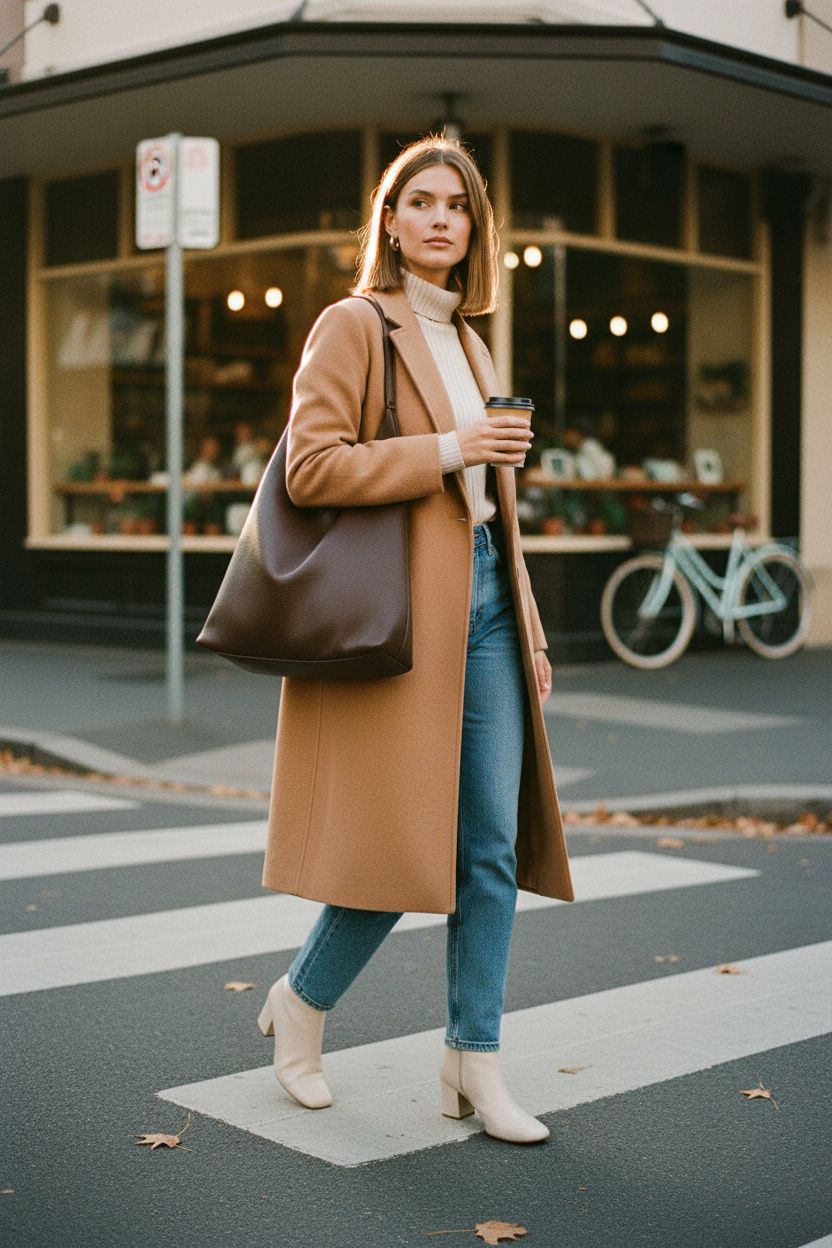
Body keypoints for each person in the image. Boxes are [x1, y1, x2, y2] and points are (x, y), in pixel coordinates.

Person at [258, 135, 575, 1146]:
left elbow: (494, 511)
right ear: (390, 223)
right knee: (403, 842)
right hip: (404, 612)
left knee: (488, 847)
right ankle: (302, 1002)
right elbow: (311, 469)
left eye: (459, 205)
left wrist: (529, 629)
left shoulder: (473, 344)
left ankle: (473, 1059)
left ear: (475, 229)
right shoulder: (354, 324)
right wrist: (448, 446)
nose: (442, 218)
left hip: (486, 604)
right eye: (422, 202)